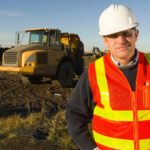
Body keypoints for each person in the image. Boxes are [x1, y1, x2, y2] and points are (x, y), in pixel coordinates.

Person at [65, 3, 150, 150]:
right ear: (105, 40)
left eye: (126, 33)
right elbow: (74, 114)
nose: (121, 40)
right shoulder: (93, 72)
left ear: (136, 34)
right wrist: (90, 147)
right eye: (113, 35)